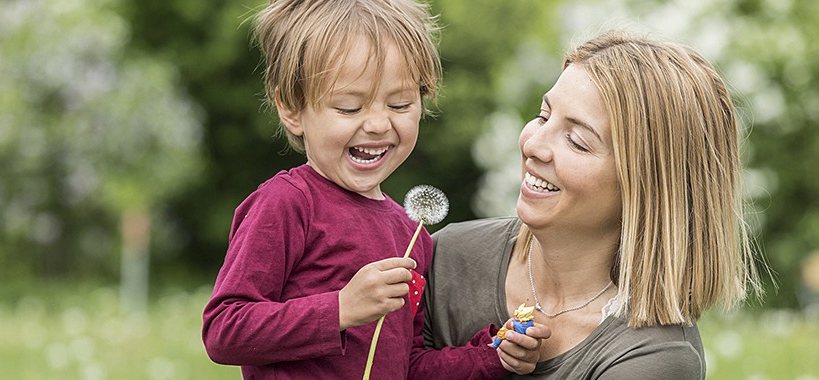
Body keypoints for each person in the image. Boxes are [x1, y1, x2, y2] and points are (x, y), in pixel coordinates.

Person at [422, 30, 764, 379]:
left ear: (645, 188)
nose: (533, 145)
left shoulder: (655, 358)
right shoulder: (446, 260)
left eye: (576, 141)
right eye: (543, 116)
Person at [201, 0, 445, 378]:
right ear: (292, 110)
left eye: (400, 104)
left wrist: (490, 356)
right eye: (349, 107)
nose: (379, 124)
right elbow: (225, 329)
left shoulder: (414, 237)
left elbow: (407, 364)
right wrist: (341, 309)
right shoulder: (287, 204)